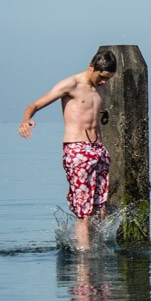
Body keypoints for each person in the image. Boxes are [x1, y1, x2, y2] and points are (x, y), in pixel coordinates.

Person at [18, 50, 118, 251]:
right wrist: (26, 120)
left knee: (99, 209)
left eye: (108, 79)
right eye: (101, 77)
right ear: (92, 67)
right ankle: (84, 258)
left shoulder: (101, 88)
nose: (104, 82)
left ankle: (96, 249)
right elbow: (35, 104)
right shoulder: (71, 84)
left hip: (97, 149)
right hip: (77, 149)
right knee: (84, 212)